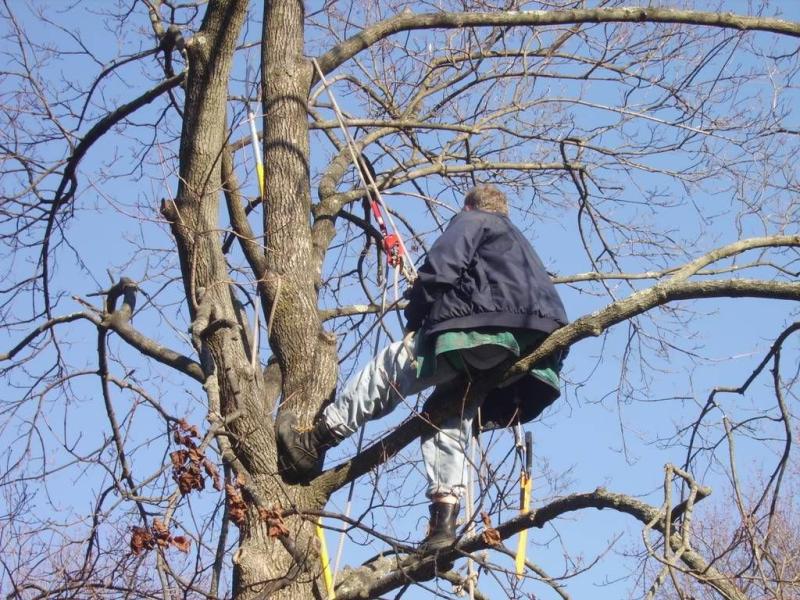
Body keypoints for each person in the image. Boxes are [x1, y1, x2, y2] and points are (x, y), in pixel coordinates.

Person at [276, 184, 568, 551]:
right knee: (444, 413)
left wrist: (417, 316)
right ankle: (444, 520)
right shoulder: (524, 251)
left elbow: (442, 268)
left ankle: (316, 438)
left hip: (484, 333)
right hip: (530, 356)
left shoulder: (474, 220)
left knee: (391, 366)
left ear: (470, 205)